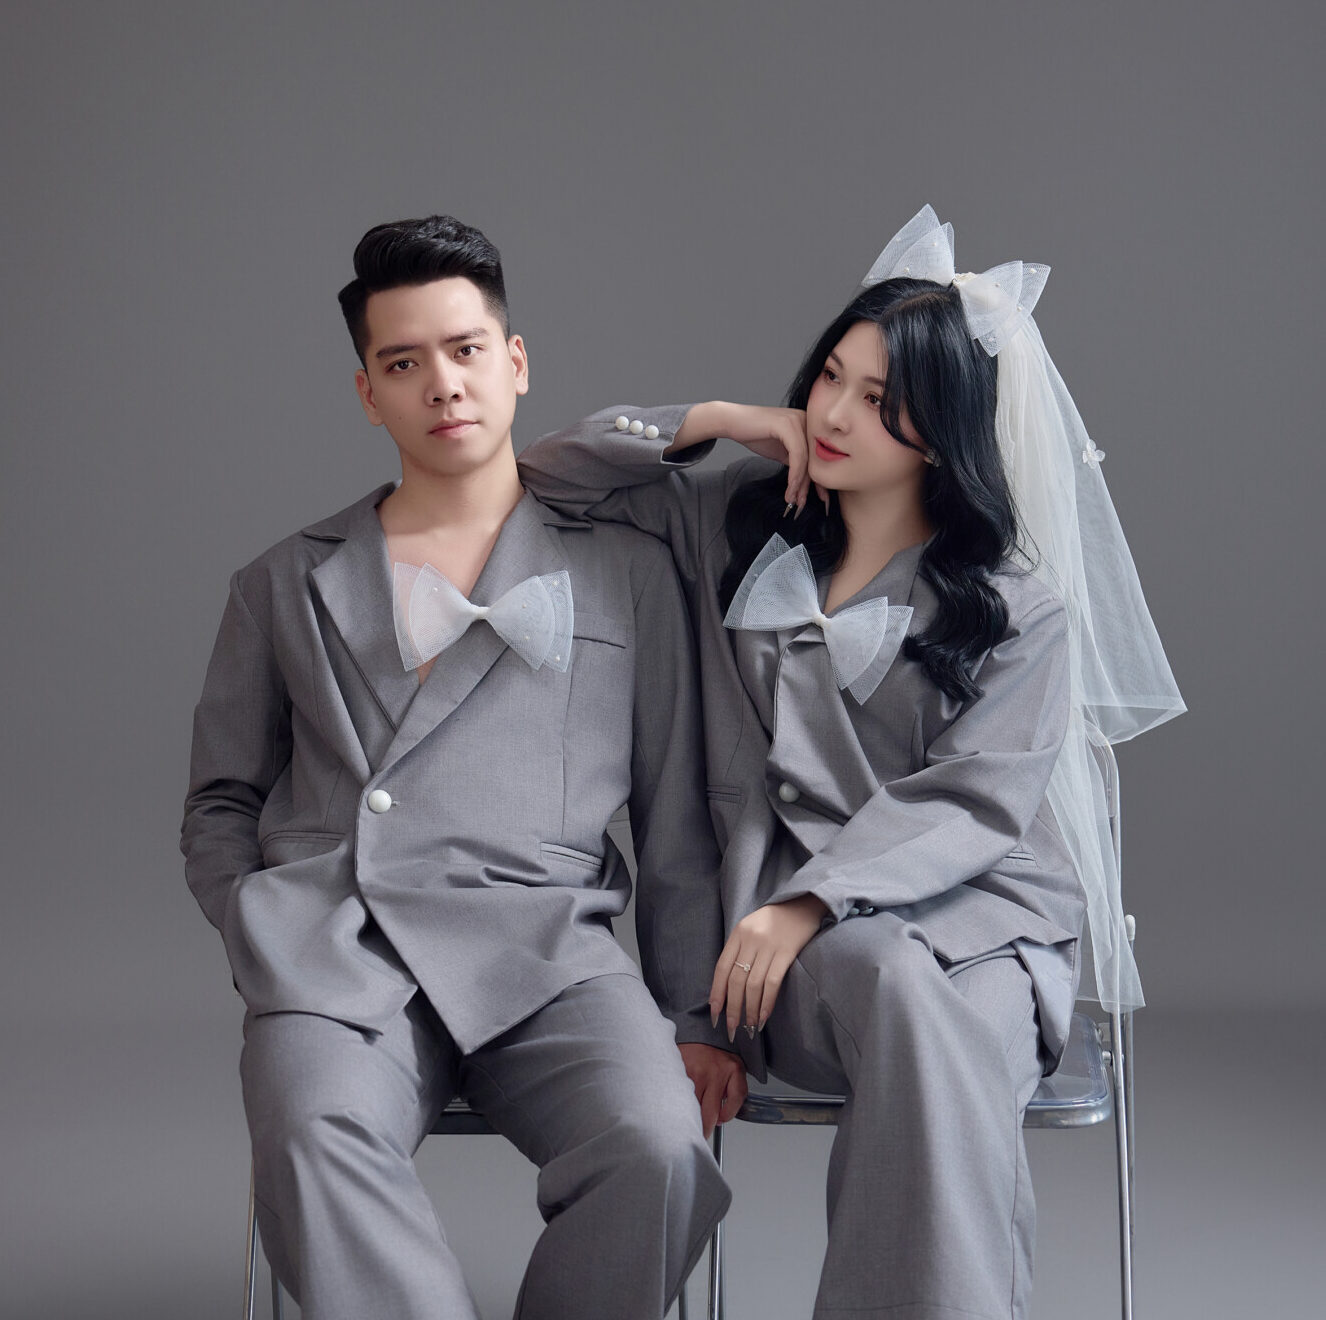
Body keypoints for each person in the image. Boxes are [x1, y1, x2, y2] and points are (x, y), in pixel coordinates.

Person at [518, 206, 1184, 1319]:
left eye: (880, 401)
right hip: (791, 965)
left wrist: (811, 902)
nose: (833, 413)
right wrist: (726, 419)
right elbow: (548, 477)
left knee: (923, 1010)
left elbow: (976, 803)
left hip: (984, 925)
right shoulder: (725, 529)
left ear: (944, 433)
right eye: (830, 376)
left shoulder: (1016, 609)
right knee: (896, 985)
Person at [181, 214, 743, 1320]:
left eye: (466, 349)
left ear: (515, 362)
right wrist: (256, 920)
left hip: (550, 952)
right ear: (368, 394)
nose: (442, 384)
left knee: (662, 1150)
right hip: (344, 951)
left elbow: (676, 813)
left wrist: (696, 1014)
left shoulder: (628, 573)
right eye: (403, 364)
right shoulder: (282, 581)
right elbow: (220, 798)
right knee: (312, 1137)